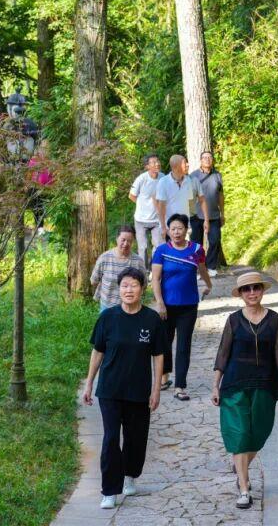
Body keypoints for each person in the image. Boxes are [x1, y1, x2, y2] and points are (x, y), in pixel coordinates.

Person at [83, 267, 169, 509]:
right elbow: (97, 351)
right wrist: (90, 383)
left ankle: (130, 474)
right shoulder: (108, 318)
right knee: (111, 438)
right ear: (118, 289)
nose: (128, 290)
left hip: (139, 390)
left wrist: (156, 389)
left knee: (136, 438)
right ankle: (109, 490)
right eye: (124, 286)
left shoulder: (151, 319)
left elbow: (159, 355)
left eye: (133, 285)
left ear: (142, 289)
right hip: (109, 389)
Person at [211, 271, 278, 510]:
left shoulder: (274, 319)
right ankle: (244, 487)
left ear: (262, 291)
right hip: (235, 384)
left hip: (265, 385)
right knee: (239, 433)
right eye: (247, 290)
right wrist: (215, 384)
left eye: (256, 288)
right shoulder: (234, 320)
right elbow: (223, 353)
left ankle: (241, 467)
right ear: (241, 294)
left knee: (259, 433)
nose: (252, 293)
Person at [151, 213, 213, 401]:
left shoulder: (197, 249)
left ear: (187, 230)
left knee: (184, 345)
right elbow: (155, 279)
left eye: (180, 228)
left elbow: (202, 270)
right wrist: (160, 302)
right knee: (165, 343)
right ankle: (164, 377)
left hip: (189, 306)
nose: (176, 232)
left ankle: (180, 386)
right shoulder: (161, 251)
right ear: (168, 231)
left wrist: (208, 285)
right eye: (173, 229)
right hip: (167, 306)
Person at [91, 225, 147, 311]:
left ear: (133, 242)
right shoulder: (105, 257)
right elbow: (94, 281)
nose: (125, 244)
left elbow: (144, 284)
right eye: (123, 240)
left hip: (131, 308)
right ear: (117, 239)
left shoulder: (138, 261)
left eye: (129, 241)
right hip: (107, 306)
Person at [155, 154, 208, 243]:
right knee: (174, 255)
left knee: (191, 254)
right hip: (171, 228)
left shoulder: (189, 181)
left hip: (187, 226)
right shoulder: (163, 182)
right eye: (184, 163)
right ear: (176, 167)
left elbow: (192, 203)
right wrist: (163, 227)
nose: (187, 165)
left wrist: (200, 221)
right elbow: (161, 207)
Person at [190, 151, 225, 276]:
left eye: (210, 157)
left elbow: (221, 195)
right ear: (200, 160)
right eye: (204, 158)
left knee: (215, 241)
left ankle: (211, 267)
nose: (207, 160)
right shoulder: (193, 176)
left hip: (214, 215)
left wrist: (223, 213)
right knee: (196, 244)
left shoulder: (217, 175)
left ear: (213, 160)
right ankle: (199, 269)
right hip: (196, 216)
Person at [129, 154, 164, 268]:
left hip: (157, 219)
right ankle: (144, 271)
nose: (157, 163)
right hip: (141, 219)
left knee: (158, 246)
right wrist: (142, 205)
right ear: (147, 166)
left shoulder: (163, 178)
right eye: (153, 162)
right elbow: (132, 195)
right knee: (143, 247)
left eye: (157, 161)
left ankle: (154, 269)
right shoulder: (141, 179)